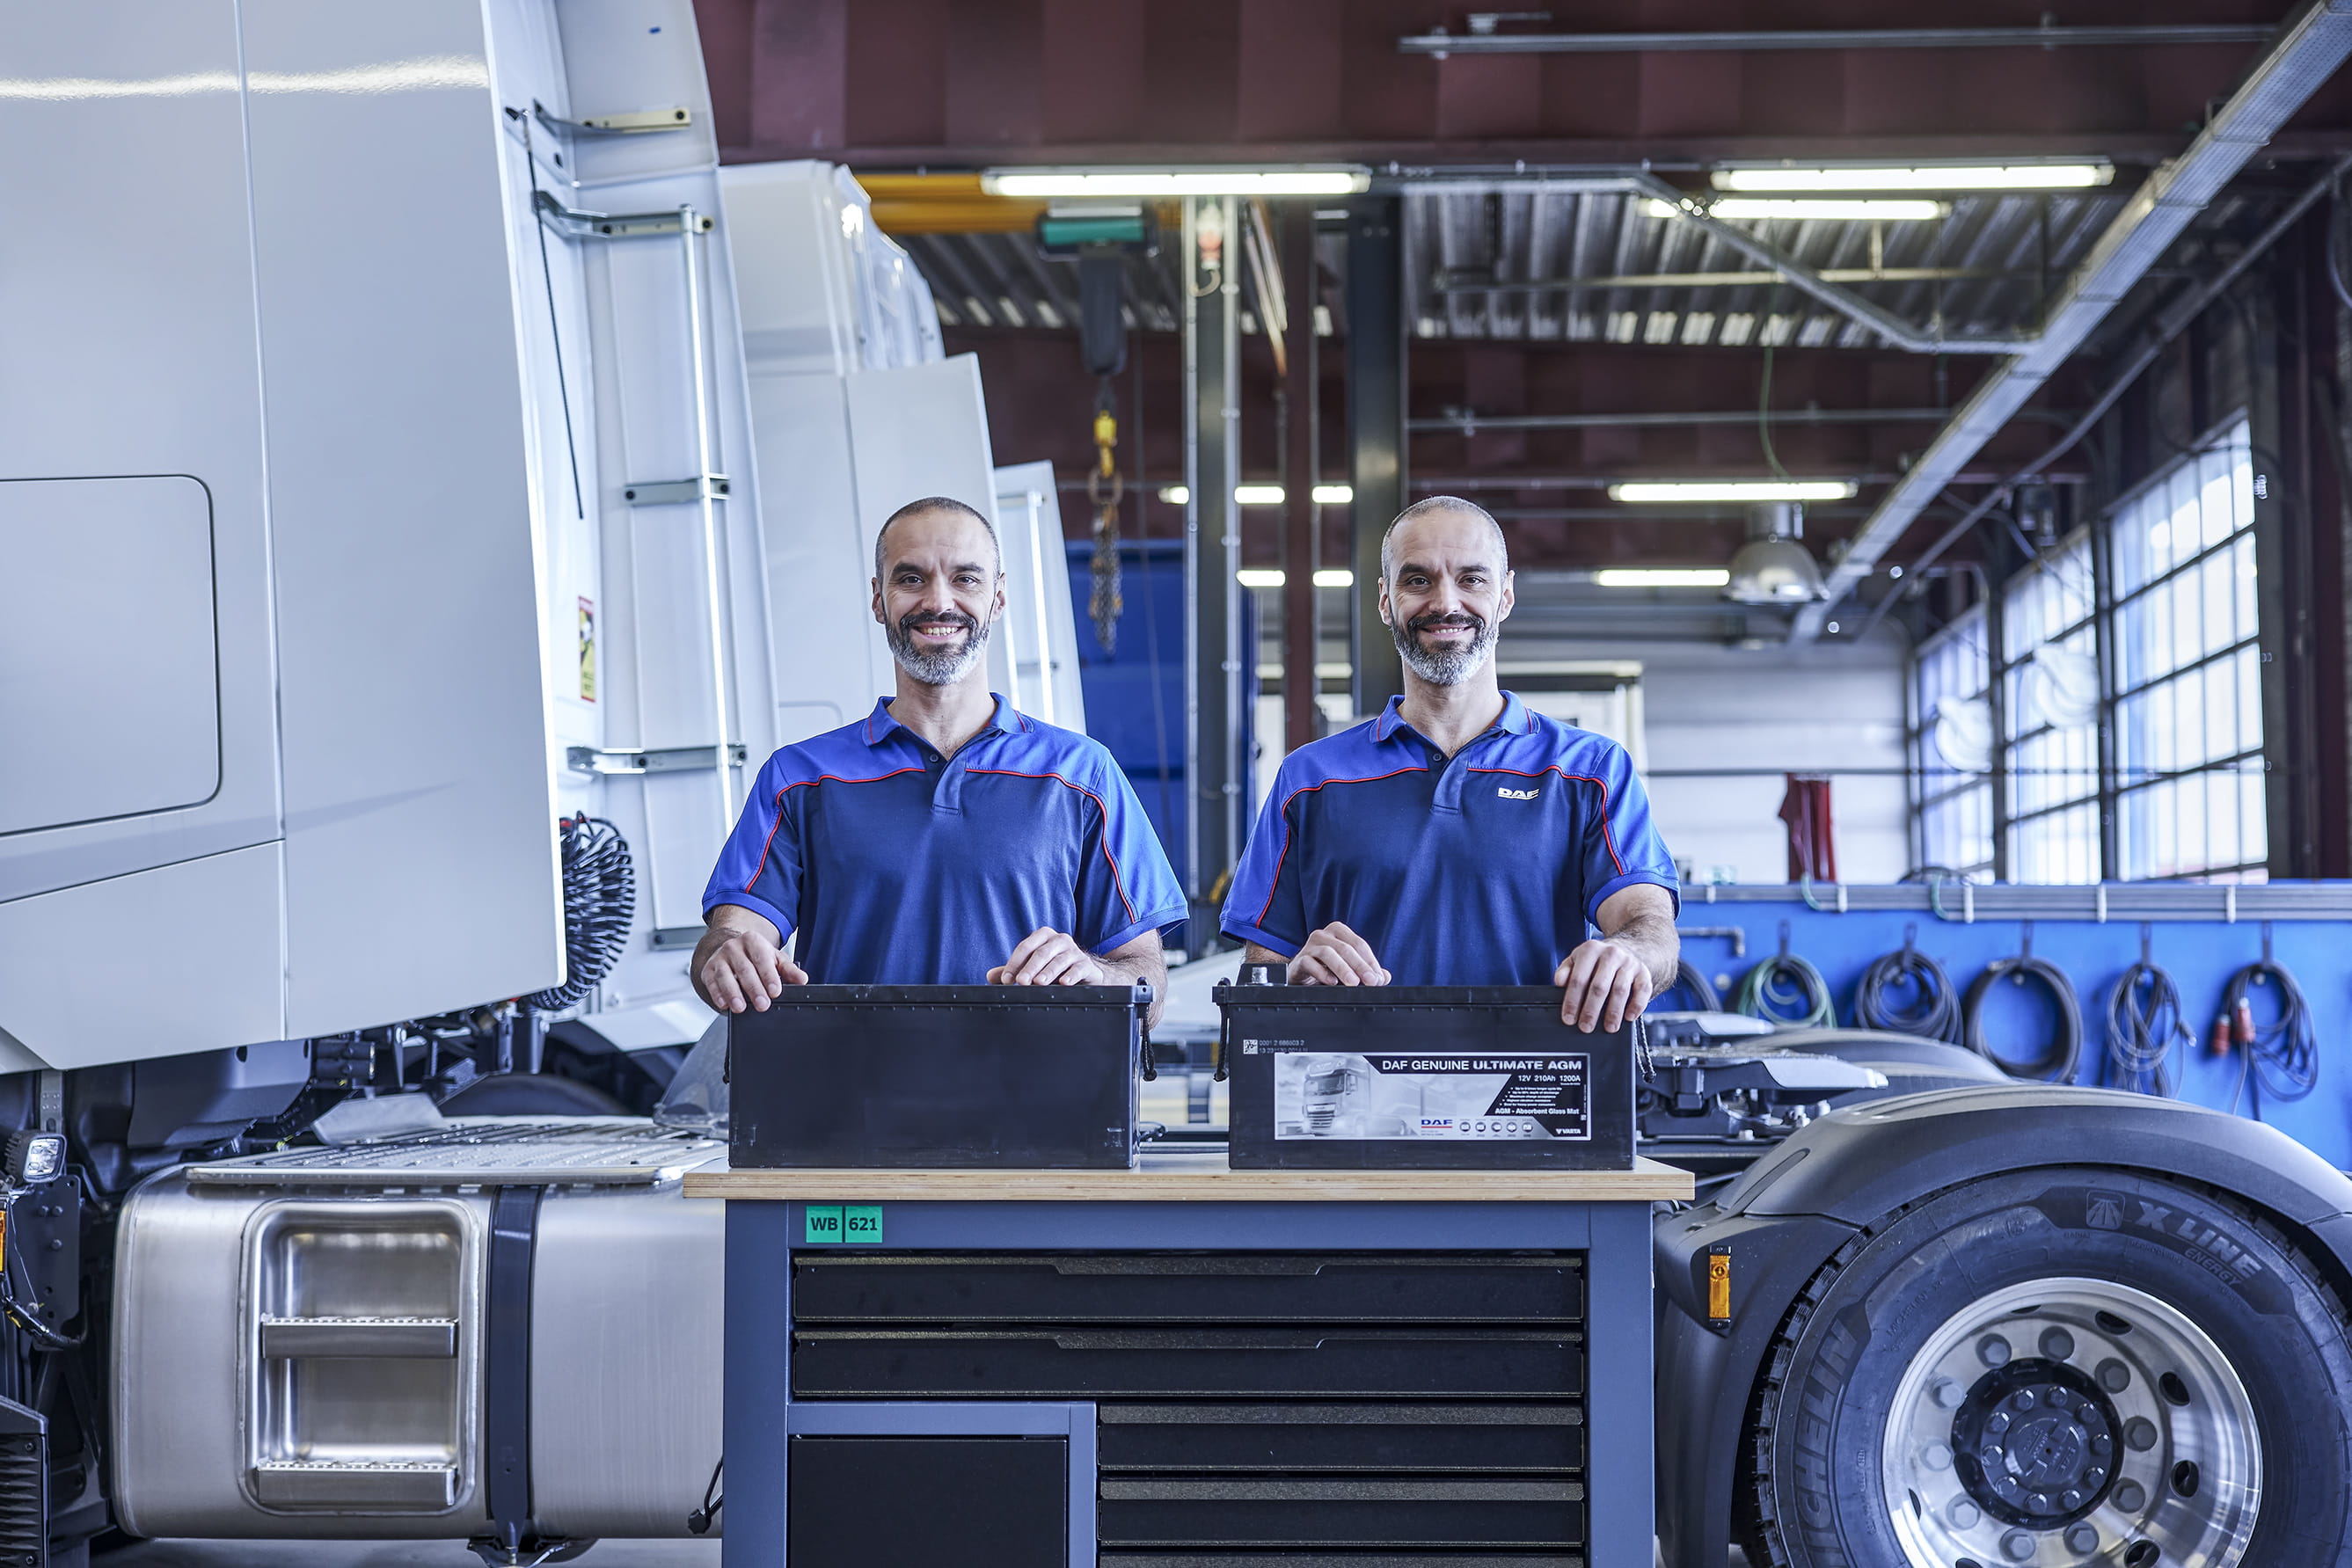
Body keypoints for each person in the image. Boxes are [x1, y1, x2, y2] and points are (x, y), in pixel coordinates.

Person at [692, 495, 1184, 1025]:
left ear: (997, 598)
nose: (938, 601)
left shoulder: (1084, 776)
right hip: (846, 1103)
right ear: (879, 600)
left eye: (966, 579)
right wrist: (727, 957)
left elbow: (1147, 984)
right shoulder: (799, 778)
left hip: (1034, 1104)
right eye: (911, 579)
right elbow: (731, 936)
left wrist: (1099, 976)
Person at [1221, 495, 1678, 1030]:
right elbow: (1260, 972)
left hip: (1533, 1099)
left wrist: (1628, 955)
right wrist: (1294, 977)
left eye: (1472, 579)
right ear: (1386, 601)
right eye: (1417, 580)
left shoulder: (1590, 771)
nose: (1445, 602)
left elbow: (1648, 925)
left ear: (1505, 595)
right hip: (1355, 1100)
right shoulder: (1310, 780)